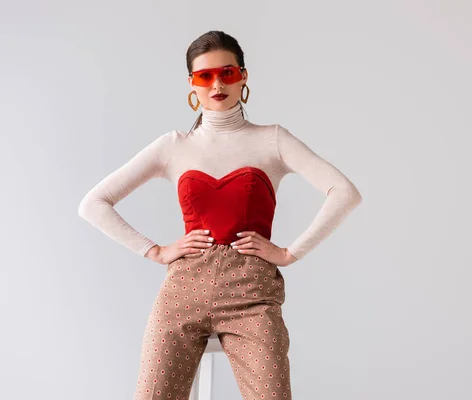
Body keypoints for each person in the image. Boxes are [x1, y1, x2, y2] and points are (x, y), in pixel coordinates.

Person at [78, 30, 362, 400]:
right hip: (182, 293)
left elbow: (345, 192)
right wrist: (156, 250)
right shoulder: (174, 146)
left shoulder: (272, 139)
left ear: (243, 76)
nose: (216, 84)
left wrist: (290, 253)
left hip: (252, 294)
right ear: (192, 84)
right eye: (204, 76)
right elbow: (94, 203)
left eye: (227, 73)